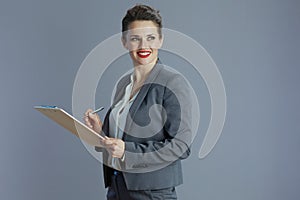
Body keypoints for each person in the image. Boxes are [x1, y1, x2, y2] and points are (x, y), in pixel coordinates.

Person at [84, 4, 194, 200]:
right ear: (124, 42)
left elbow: (181, 146)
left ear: (160, 40)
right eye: (135, 38)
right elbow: (120, 143)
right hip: (118, 187)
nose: (144, 46)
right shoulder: (124, 84)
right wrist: (99, 132)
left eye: (150, 37)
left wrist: (128, 151)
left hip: (151, 193)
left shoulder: (172, 83)